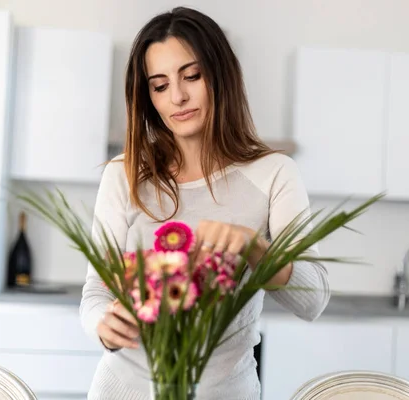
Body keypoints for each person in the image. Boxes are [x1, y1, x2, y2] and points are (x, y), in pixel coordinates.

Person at [79, 6, 330, 400]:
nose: (177, 96)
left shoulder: (275, 174)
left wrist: (254, 247)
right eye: (159, 86)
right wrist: (103, 324)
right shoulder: (123, 173)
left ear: (220, 74)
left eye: (191, 76)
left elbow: (312, 298)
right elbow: (96, 290)